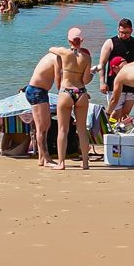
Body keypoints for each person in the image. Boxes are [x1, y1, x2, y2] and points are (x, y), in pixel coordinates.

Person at [48, 28, 93, 170]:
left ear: (69, 40)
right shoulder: (87, 57)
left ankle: (61, 163)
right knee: (82, 129)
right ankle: (85, 162)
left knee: (62, 129)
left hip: (66, 92)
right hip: (81, 92)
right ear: (82, 40)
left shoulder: (64, 53)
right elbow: (85, 80)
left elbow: (51, 49)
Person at [98, 18, 134, 124]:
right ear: (118, 30)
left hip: (132, 85)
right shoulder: (110, 42)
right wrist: (102, 82)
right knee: (115, 113)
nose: (124, 35)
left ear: (131, 31)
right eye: (121, 32)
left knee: (125, 115)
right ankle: (110, 127)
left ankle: (119, 132)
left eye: (127, 33)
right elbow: (102, 64)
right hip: (114, 84)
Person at [23, 50, 60, 164]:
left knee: (45, 126)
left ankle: (41, 158)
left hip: (39, 91)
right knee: (42, 128)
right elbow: (59, 83)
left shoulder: (52, 56)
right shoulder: (57, 60)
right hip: (36, 91)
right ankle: (47, 158)